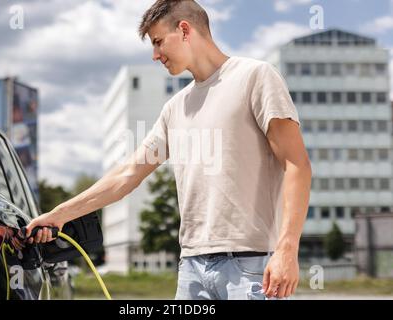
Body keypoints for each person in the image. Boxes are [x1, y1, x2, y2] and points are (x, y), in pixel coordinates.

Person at [25, 0, 312, 300]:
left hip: (250, 267)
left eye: (159, 42)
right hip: (191, 269)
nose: (155, 55)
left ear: (185, 30)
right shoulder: (175, 108)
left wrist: (287, 249)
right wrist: (59, 214)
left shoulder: (255, 77)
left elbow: (297, 165)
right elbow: (127, 175)